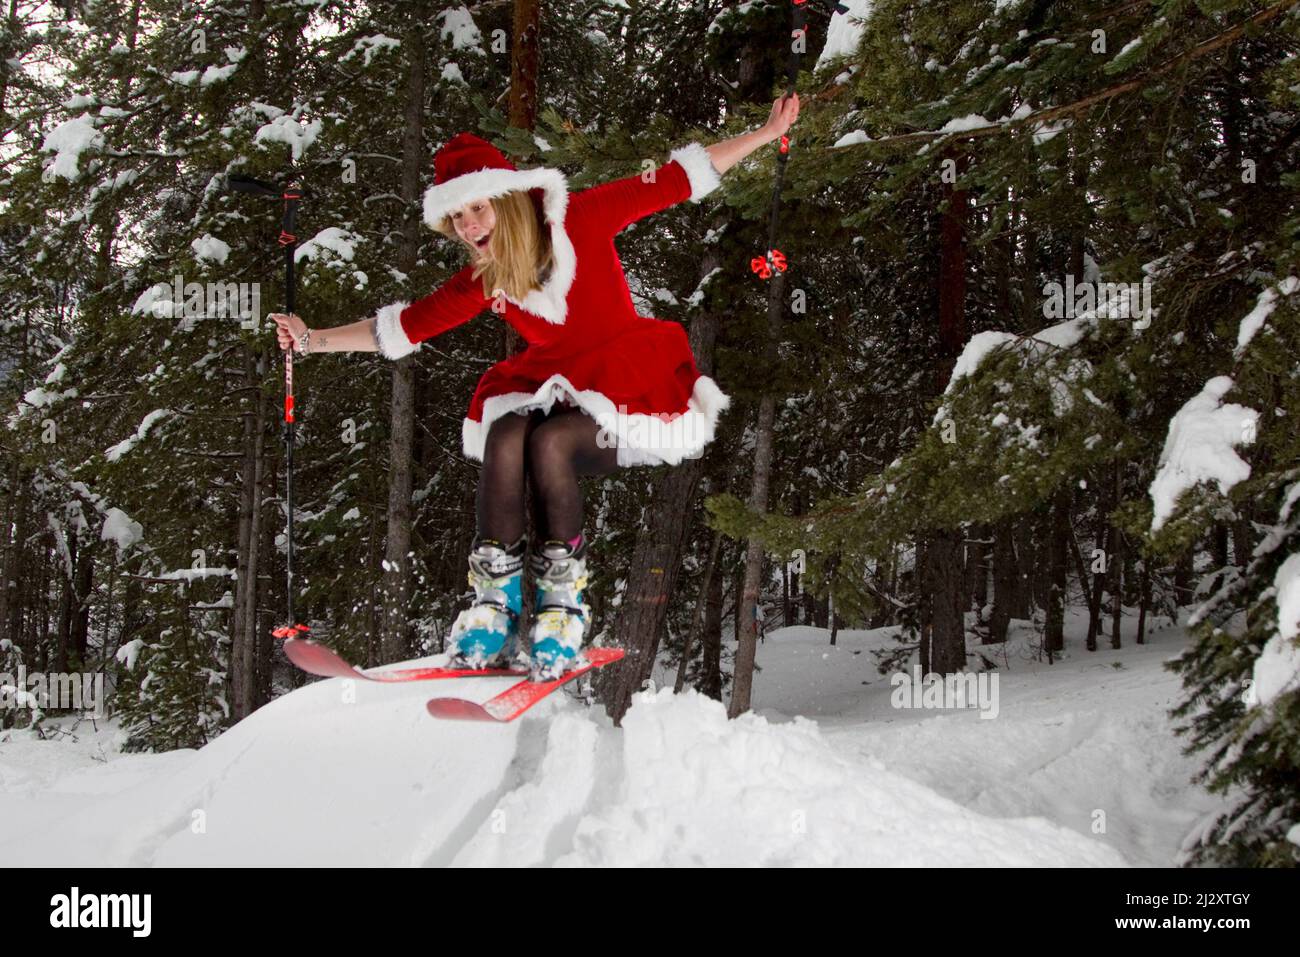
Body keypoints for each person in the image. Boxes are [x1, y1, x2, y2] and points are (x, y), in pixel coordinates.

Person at [272, 93, 801, 681]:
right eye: (458, 218)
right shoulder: (484, 277)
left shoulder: (580, 217)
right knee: (505, 433)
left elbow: (678, 179)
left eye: (478, 208)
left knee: (549, 446)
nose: (470, 226)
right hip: (555, 382)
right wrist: (311, 339)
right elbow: (401, 327)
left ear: (506, 198)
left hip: (627, 383)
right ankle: (494, 605)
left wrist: (765, 130)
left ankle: (562, 606)